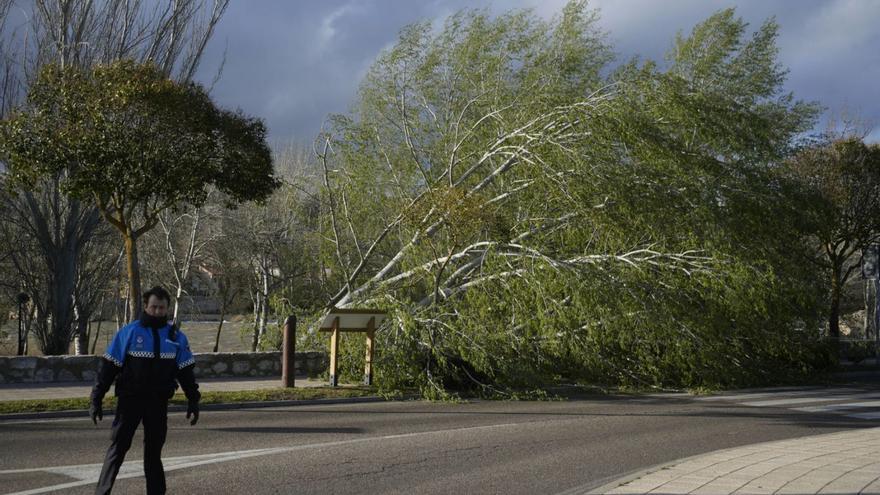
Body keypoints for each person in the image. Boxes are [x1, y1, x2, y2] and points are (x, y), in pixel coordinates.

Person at [89, 286, 201, 495]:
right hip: (129, 401)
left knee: (153, 454)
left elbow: (186, 373)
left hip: (157, 403)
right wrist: (96, 398)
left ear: (168, 308)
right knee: (118, 449)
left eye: (162, 308)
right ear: (146, 307)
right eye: (153, 307)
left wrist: (193, 400)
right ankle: (102, 492)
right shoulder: (129, 332)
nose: (158, 311)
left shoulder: (177, 337)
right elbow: (107, 369)